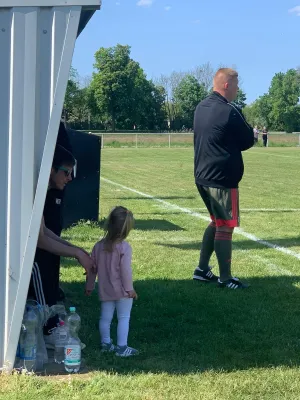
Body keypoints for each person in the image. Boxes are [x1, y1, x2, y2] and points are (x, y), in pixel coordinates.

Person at [193, 68, 254, 289]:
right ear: (226, 85)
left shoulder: (201, 107)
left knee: (216, 222)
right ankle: (226, 278)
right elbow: (248, 140)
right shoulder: (230, 111)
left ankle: (201, 269)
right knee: (226, 226)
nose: (238, 89)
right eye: (236, 85)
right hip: (221, 178)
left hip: (202, 176)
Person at [28, 145, 95, 341]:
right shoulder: (34, 190)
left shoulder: (42, 190)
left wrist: (76, 250)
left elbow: (43, 231)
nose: (70, 178)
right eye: (66, 172)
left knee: (50, 258)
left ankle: (51, 321)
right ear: (51, 170)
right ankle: (48, 329)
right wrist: (76, 254)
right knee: (38, 265)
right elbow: (38, 239)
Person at [85, 206, 139, 357]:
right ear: (127, 229)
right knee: (123, 318)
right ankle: (122, 348)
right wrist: (129, 289)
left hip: (105, 289)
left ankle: (106, 344)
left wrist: (89, 285)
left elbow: (92, 268)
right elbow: (125, 270)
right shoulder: (124, 248)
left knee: (105, 318)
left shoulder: (98, 246)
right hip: (122, 291)